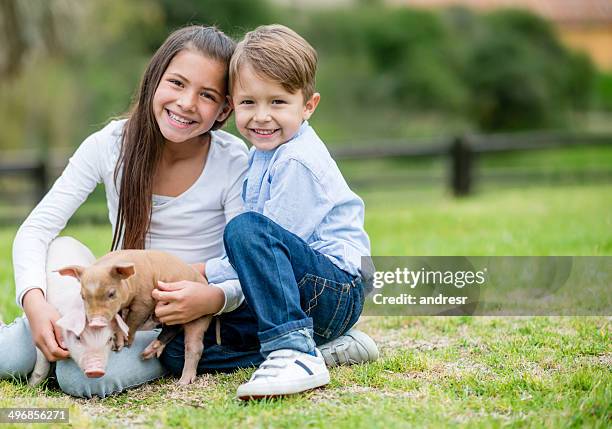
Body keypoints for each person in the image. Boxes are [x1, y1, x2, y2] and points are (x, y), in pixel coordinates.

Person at [0, 25, 251, 398]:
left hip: (171, 317)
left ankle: (326, 346)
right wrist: (34, 301)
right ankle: (49, 330)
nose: (186, 103)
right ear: (153, 79)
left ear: (224, 108)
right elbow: (37, 229)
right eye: (177, 83)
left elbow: (245, 258)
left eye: (207, 95)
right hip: (113, 301)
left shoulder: (233, 161)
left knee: (80, 378)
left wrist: (215, 298)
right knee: (8, 359)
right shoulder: (109, 145)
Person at [159, 24, 379, 400]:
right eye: (248, 103)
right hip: (294, 292)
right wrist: (207, 275)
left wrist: (207, 272)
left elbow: (263, 243)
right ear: (232, 104)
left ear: (308, 106)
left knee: (244, 228)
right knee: (179, 353)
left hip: (335, 290)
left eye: (277, 102)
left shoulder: (297, 161)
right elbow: (262, 262)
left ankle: (294, 351)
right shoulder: (261, 154)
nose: (261, 116)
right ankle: (322, 350)